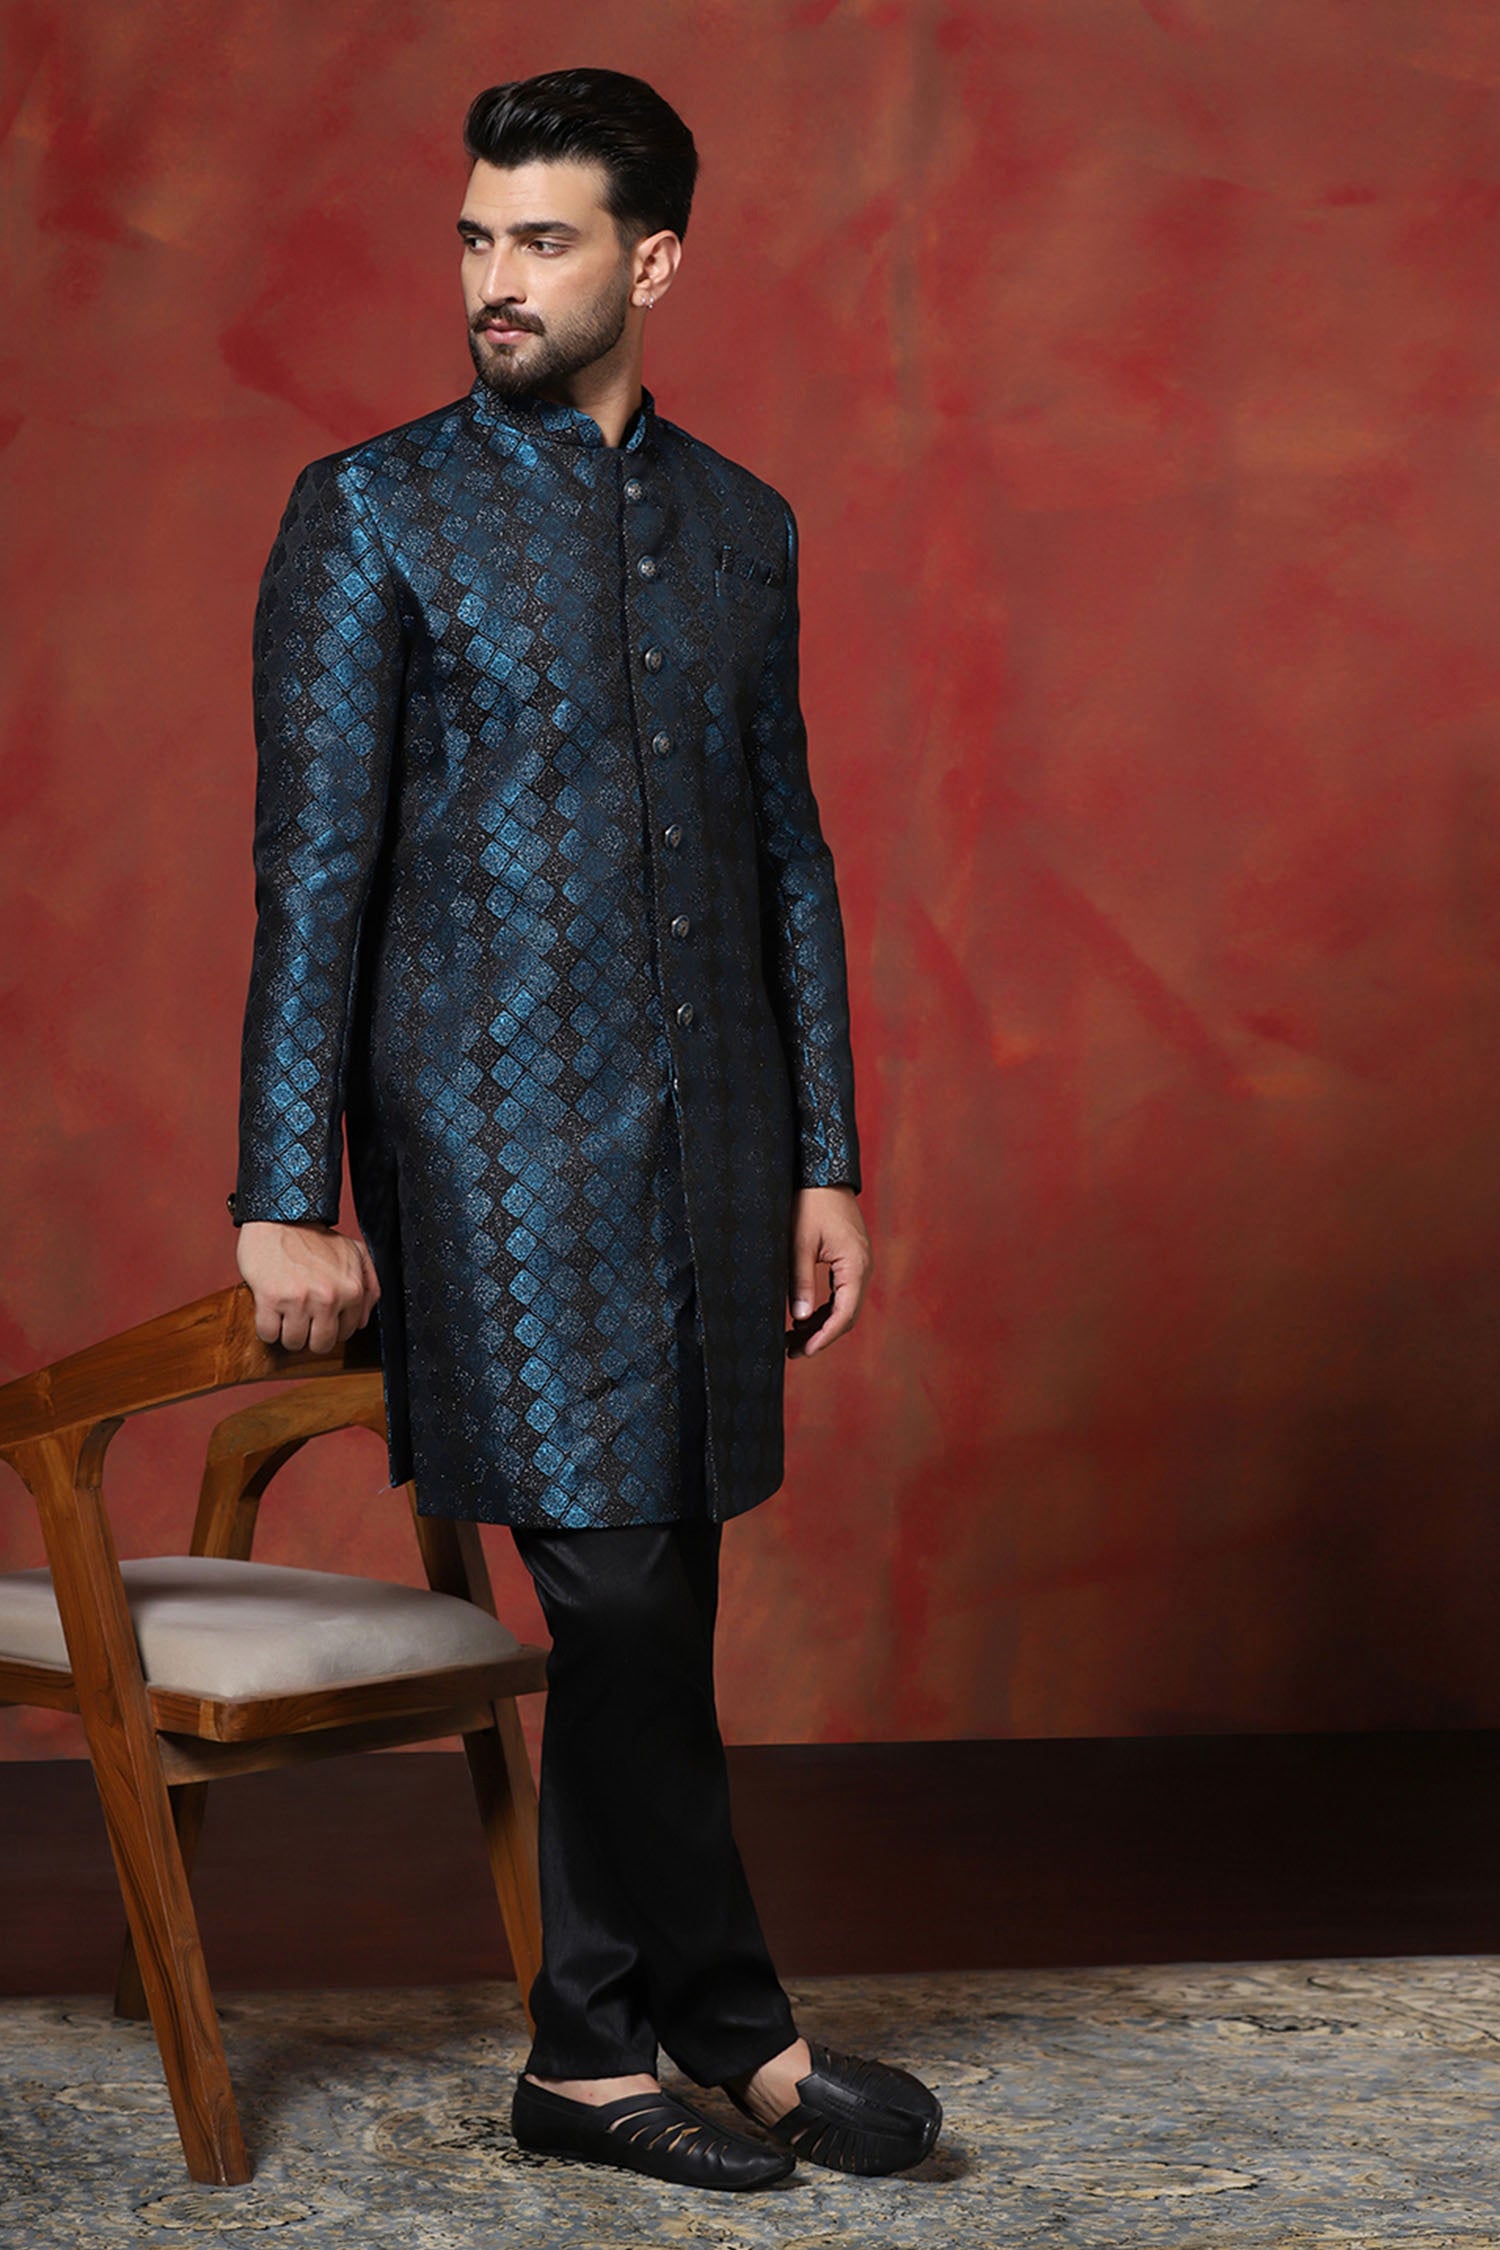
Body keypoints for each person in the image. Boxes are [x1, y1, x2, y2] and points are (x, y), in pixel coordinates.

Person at [228, 66, 941, 2195]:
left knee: (669, 1572)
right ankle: (699, 2027)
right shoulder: (372, 510)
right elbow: (312, 872)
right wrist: (282, 1188)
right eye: (476, 237)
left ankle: (631, 2038)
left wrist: (827, 1150)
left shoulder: (742, 525)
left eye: (540, 240)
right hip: (486, 1137)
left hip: (712, 1130)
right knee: (618, 1583)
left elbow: (788, 850)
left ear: (656, 260)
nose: (495, 278)